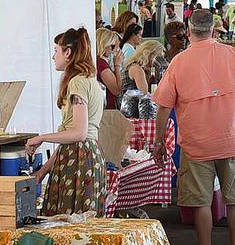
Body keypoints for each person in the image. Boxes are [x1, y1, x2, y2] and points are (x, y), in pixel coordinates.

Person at [153, 10, 235, 245]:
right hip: (234, 139)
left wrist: (158, 141)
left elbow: (164, 106)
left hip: (197, 143)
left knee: (201, 202)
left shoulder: (179, 62)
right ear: (214, 30)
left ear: (189, 31)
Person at [25, 28, 106, 215]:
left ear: (67, 52)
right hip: (83, 156)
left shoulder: (77, 82)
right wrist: (42, 172)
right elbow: (69, 138)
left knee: (70, 224)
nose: (54, 56)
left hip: (80, 159)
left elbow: (79, 133)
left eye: (56, 50)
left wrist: (41, 138)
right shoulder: (88, 80)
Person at [120, 39, 164, 120]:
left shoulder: (134, 66)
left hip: (129, 112)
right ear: (150, 55)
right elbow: (145, 94)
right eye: (157, 57)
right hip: (134, 115)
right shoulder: (137, 69)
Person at [95, 27, 122, 110]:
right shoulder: (101, 64)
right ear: (104, 45)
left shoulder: (99, 62)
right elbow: (117, 90)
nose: (114, 50)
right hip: (107, 109)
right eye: (112, 46)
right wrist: (117, 65)